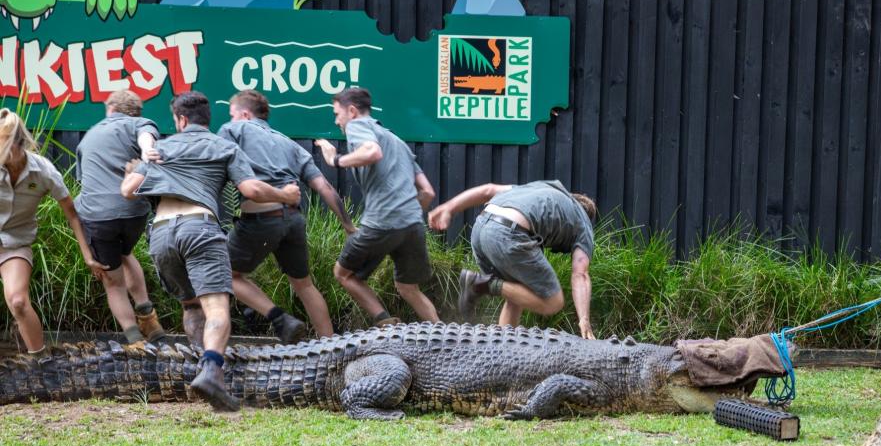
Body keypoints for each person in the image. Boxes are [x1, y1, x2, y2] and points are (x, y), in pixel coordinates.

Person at [120, 91, 300, 412]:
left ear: (180, 120)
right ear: (206, 120)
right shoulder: (224, 146)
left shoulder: (161, 148)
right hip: (199, 226)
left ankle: (200, 371)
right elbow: (251, 190)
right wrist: (285, 195)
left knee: (191, 305)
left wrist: (142, 165)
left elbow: (128, 190)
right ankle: (212, 373)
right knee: (217, 309)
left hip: (161, 232)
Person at [218, 90, 355, 342]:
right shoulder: (289, 144)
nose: (229, 119)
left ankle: (279, 318)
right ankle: (332, 346)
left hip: (261, 217)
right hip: (293, 218)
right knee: (304, 284)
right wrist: (348, 226)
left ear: (244, 114)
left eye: (232, 114)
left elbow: (214, 163)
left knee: (224, 273)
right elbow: (324, 187)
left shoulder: (234, 130)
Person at [313, 87, 438, 327]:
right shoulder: (398, 141)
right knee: (408, 287)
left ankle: (384, 321)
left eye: (337, 114)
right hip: (412, 222)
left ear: (351, 111)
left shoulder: (358, 126)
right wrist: (406, 215)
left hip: (382, 220)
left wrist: (334, 160)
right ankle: (444, 337)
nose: (336, 120)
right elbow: (428, 192)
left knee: (343, 273)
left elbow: (372, 152)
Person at [428, 180, 598, 337]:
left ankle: (503, 351)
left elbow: (488, 190)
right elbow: (580, 274)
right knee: (553, 302)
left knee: (516, 295)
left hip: (480, 228)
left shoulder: (540, 188)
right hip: (508, 233)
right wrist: (584, 320)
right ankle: (481, 283)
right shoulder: (583, 221)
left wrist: (449, 208)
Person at [0, 109, 104, 354]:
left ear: (18, 144)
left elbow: (72, 213)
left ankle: (40, 362)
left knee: (18, 301)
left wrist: (88, 256)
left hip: (14, 243)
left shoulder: (43, 172)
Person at [75, 90, 167, 346]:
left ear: (111, 108)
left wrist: (147, 148)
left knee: (113, 283)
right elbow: (146, 136)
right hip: (132, 213)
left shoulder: (89, 136)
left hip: (98, 217)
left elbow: (83, 181)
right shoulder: (140, 123)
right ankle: (147, 314)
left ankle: (135, 338)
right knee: (126, 253)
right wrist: (147, 151)